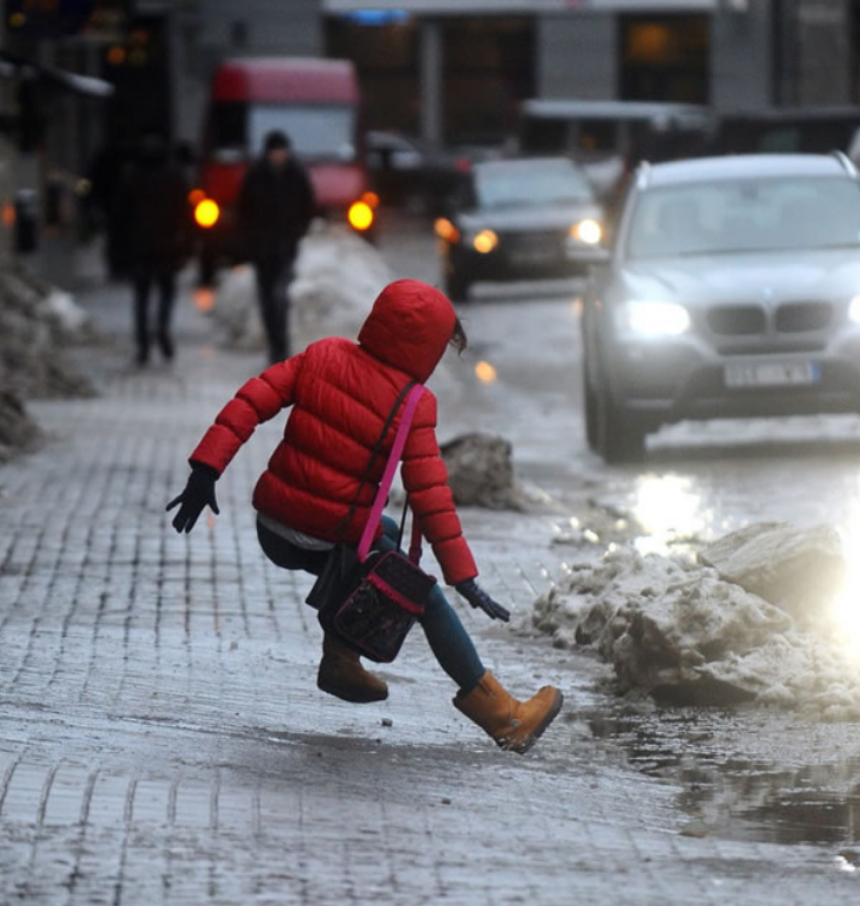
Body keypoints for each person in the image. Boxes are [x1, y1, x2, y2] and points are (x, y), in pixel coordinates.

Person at [166, 279, 563, 753]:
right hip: (326, 537)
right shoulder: (414, 403)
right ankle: (504, 716)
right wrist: (463, 577)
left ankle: (340, 660)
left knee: (385, 535)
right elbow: (430, 494)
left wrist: (204, 472)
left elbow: (250, 402)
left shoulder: (323, 354)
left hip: (274, 526)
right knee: (423, 593)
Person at [237, 129, 315, 364]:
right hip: (262, 249)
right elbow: (244, 210)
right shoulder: (256, 175)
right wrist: (251, 239)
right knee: (267, 299)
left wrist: (296, 233)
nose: (279, 155)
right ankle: (275, 345)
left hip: (286, 246)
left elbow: (307, 206)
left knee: (280, 296)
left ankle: (282, 345)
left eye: (282, 151)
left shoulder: (296, 174)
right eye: (275, 151)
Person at [117, 135, 191, 365]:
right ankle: (161, 327)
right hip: (168, 247)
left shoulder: (131, 176)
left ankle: (143, 346)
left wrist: (119, 249)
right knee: (166, 294)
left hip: (139, 247)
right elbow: (185, 214)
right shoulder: (175, 176)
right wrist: (185, 244)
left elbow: (120, 215)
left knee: (141, 298)